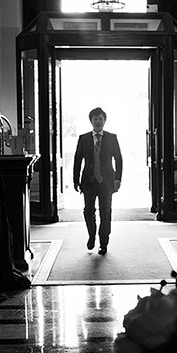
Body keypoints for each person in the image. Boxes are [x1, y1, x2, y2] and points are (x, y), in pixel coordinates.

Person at [73, 107, 123, 255]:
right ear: (91, 121)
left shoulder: (112, 137)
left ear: (104, 120)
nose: (98, 122)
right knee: (88, 211)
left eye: (100, 119)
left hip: (106, 181)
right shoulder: (84, 138)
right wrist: (76, 180)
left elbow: (119, 159)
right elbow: (77, 160)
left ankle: (104, 243)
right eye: (95, 119)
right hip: (88, 181)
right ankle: (91, 236)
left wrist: (118, 178)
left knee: (105, 212)